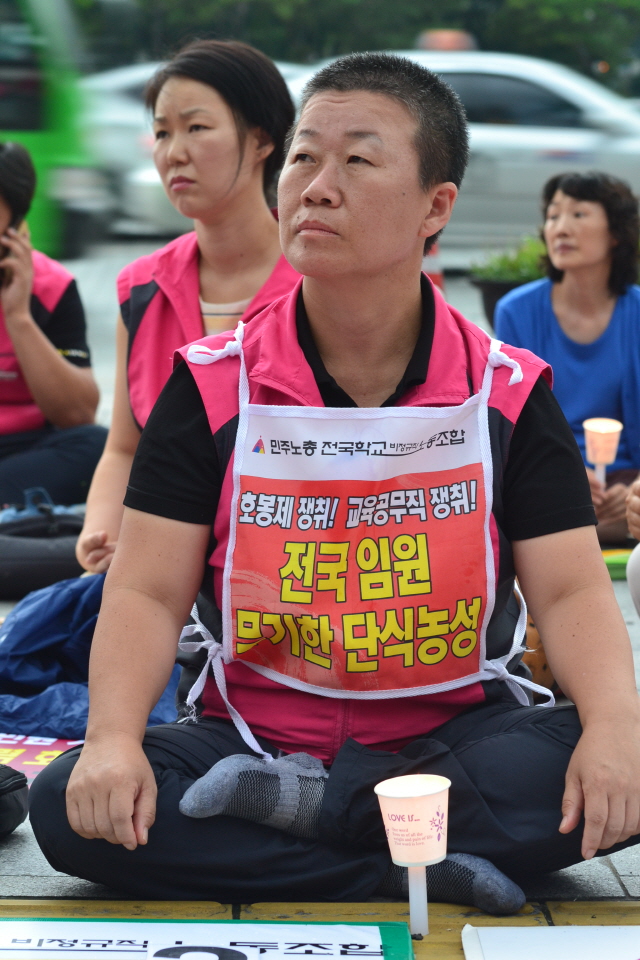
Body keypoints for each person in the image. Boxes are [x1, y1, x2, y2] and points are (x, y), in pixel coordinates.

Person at [30, 54, 640, 914]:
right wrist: (112, 740)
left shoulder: (504, 391)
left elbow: (573, 589)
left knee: (624, 761)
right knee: (69, 807)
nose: (315, 188)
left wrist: (614, 731)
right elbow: (145, 590)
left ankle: (313, 819)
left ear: (436, 207)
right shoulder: (212, 384)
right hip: (250, 741)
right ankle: (401, 863)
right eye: (304, 158)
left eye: (357, 160)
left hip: (457, 744)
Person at [75, 39, 298, 573]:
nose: (173, 152)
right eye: (161, 133)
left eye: (196, 128)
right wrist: (100, 535)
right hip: (160, 571)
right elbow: (125, 448)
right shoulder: (141, 289)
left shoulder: (317, 284)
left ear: (262, 139)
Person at [494, 172, 640, 544]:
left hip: (628, 482)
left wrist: (636, 488)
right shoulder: (517, 311)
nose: (560, 227)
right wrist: (567, 473)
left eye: (578, 214)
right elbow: (511, 422)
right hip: (547, 473)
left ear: (616, 232)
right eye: (553, 215)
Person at [0, 142, 106, 506]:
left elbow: (78, 414)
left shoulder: (52, 287)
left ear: (15, 219)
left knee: (97, 446)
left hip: (21, 449)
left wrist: (19, 317)